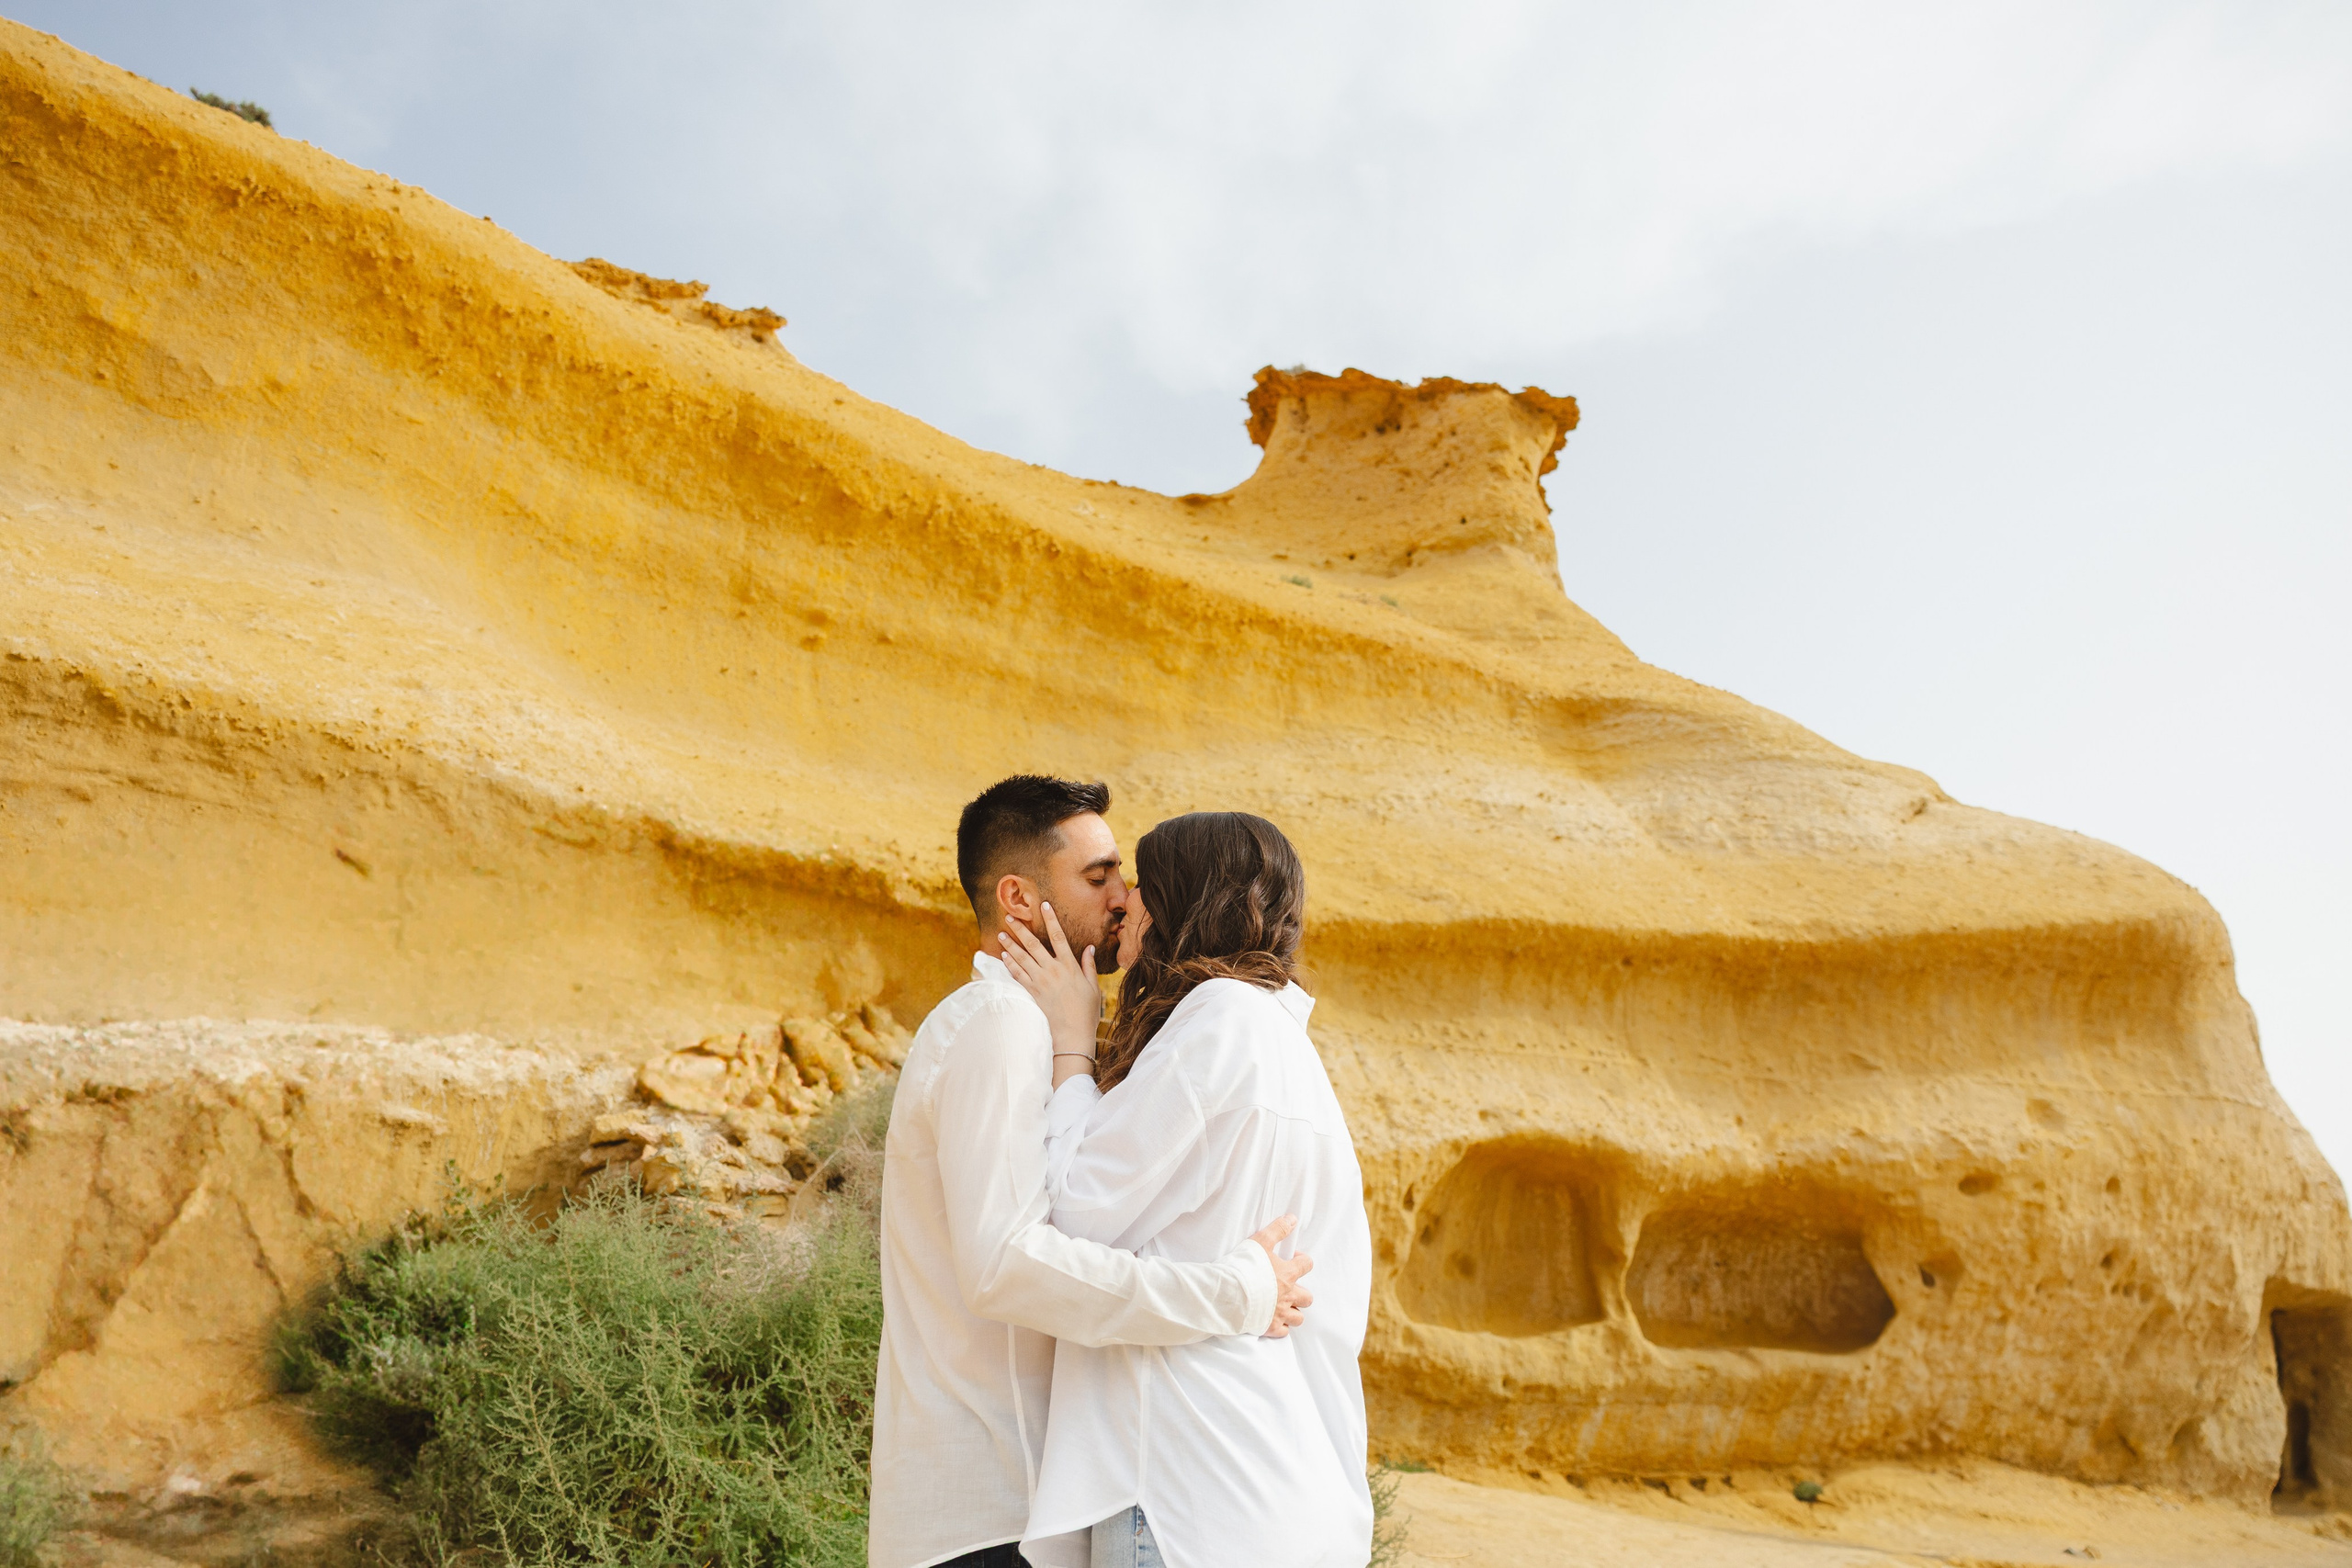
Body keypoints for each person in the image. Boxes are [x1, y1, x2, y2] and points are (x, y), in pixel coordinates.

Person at [871, 777, 1317, 1568]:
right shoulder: (1002, 1023)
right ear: (1017, 896)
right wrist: (1235, 1292)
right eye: (1098, 875)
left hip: (1020, 1513)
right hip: (992, 1515)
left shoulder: (1026, 1027)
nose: (1126, 898)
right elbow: (1006, 1264)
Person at [998, 811, 1373, 1568]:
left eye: (1140, 884)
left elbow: (1074, 1209)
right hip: (1278, 1492)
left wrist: (1072, 1039)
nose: (1124, 903)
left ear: (1180, 902)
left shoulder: (1221, 1021)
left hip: (1190, 1484)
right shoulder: (1288, 1051)